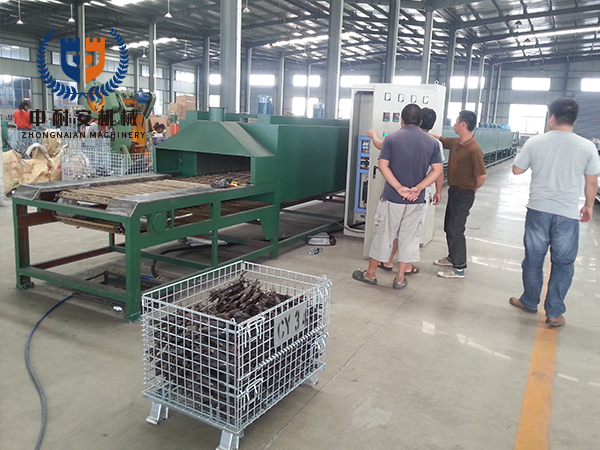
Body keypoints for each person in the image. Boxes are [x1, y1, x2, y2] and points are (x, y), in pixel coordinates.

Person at [509, 98, 600, 327]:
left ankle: (529, 301)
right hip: (567, 214)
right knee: (563, 264)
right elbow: (592, 182)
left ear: (551, 117)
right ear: (575, 120)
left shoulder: (535, 142)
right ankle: (554, 313)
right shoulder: (587, 147)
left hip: (538, 210)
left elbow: (517, 170)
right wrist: (588, 206)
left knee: (533, 259)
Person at [352, 104, 443, 290]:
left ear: (401, 120)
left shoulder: (391, 139)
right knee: (409, 238)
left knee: (384, 234)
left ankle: (371, 274)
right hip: (417, 200)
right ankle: (400, 278)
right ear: (421, 122)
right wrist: (418, 188)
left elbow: (383, 165)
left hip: (392, 198)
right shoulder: (432, 143)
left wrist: (399, 187)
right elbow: (437, 170)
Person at [429, 110, 486, 279]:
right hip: (454, 191)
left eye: (456, 121)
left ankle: (459, 267)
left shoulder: (474, 149)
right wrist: (421, 131)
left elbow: (481, 176)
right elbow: (440, 139)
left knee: (456, 229)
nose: (454, 124)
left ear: (463, 124)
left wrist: (473, 189)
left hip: (464, 194)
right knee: (449, 226)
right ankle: (452, 257)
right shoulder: (456, 142)